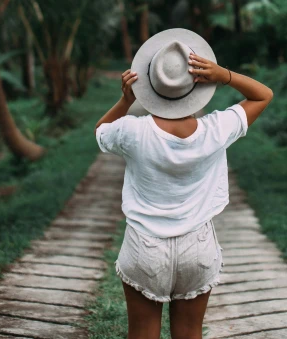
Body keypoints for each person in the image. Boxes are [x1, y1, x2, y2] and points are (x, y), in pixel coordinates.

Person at [95, 28, 273, 339]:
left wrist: (125, 101)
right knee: (190, 333)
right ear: (196, 86)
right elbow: (263, 95)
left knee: (141, 333)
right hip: (198, 248)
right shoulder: (216, 129)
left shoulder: (132, 132)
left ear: (151, 84)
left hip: (144, 246)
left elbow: (101, 131)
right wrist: (224, 75)